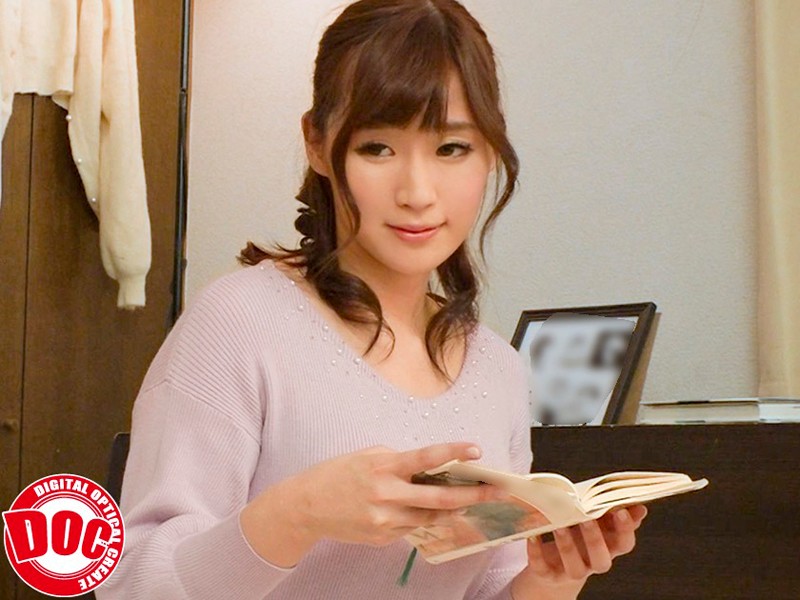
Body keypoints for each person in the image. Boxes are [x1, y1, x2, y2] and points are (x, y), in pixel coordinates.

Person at [99, 1, 646, 598]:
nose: (417, 192)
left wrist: (553, 577)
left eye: (451, 149)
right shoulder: (237, 323)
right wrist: (298, 512)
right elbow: (131, 584)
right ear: (316, 142)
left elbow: (486, 588)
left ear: (491, 150)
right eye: (377, 148)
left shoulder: (498, 369)